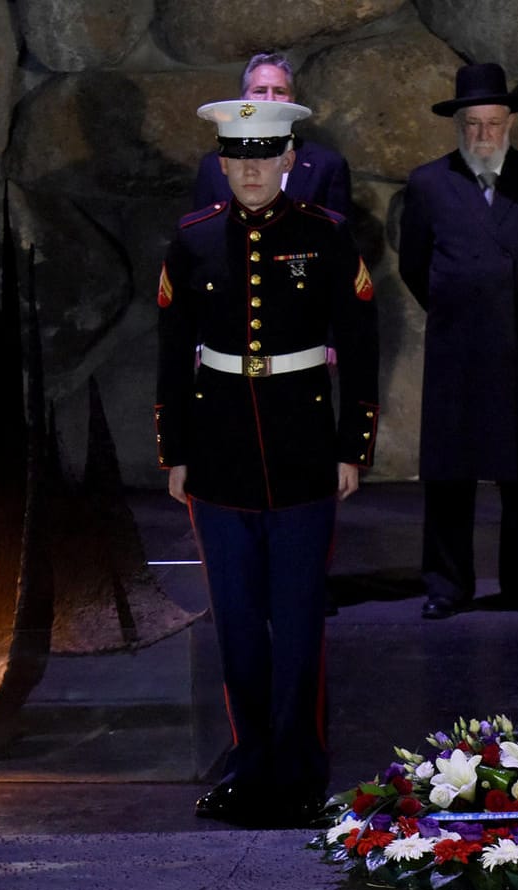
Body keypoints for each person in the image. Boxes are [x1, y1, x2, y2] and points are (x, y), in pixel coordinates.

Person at [156, 98, 380, 825]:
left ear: (290, 159)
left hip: (303, 452)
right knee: (238, 624)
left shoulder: (328, 236)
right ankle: (249, 764)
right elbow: (169, 354)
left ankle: (300, 771)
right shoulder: (193, 240)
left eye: (266, 155)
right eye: (238, 157)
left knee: (299, 620)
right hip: (218, 455)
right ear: (222, 165)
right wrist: (175, 451)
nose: (252, 169)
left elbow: (363, 346)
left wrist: (354, 446)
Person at [399, 63, 518, 619]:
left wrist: (512, 306)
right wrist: (459, 307)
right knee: (449, 473)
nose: (483, 135)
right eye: (472, 124)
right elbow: (415, 265)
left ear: (510, 124)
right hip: (456, 345)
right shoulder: (428, 183)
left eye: (493, 124)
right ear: (458, 126)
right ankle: (445, 586)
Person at [192, 52, 351, 215]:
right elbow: (201, 234)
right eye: (260, 91)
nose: (270, 99)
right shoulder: (213, 166)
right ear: (243, 101)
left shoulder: (327, 166)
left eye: (280, 91)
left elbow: (338, 237)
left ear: (292, 99)